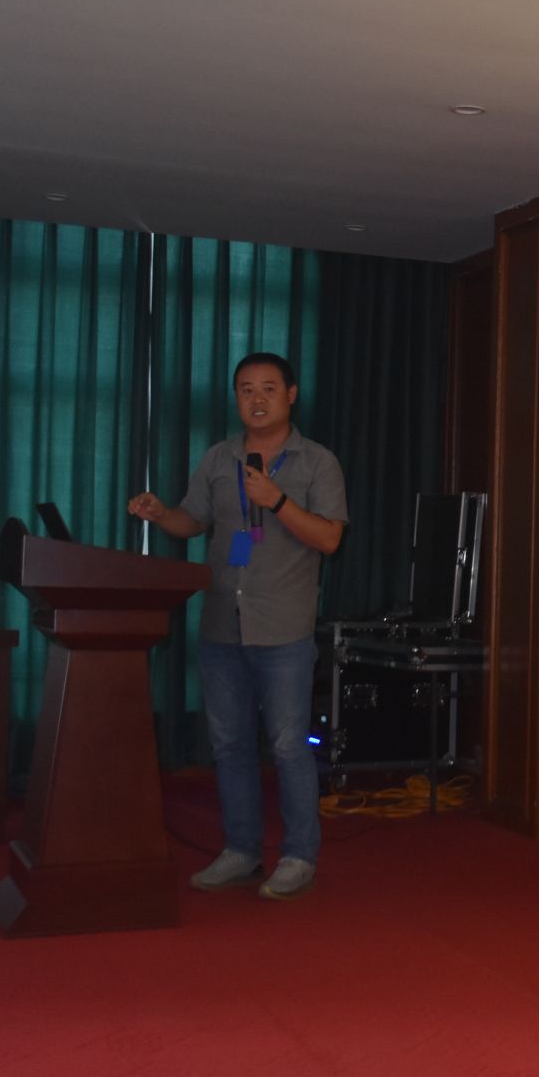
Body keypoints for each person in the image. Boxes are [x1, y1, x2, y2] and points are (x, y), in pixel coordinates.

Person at [127, 352, 347, 900]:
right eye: (246, 390)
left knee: (289, 746)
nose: (257, 399)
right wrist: (161, 513)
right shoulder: (219, 457)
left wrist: (277, 501)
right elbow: (192, 520)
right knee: (228, 745)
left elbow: (329, 538)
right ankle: (241, 850)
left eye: (268, 388)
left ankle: (299, 856)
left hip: (284, 627)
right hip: (223, 622)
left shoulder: (318, 462)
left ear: (291, 395)